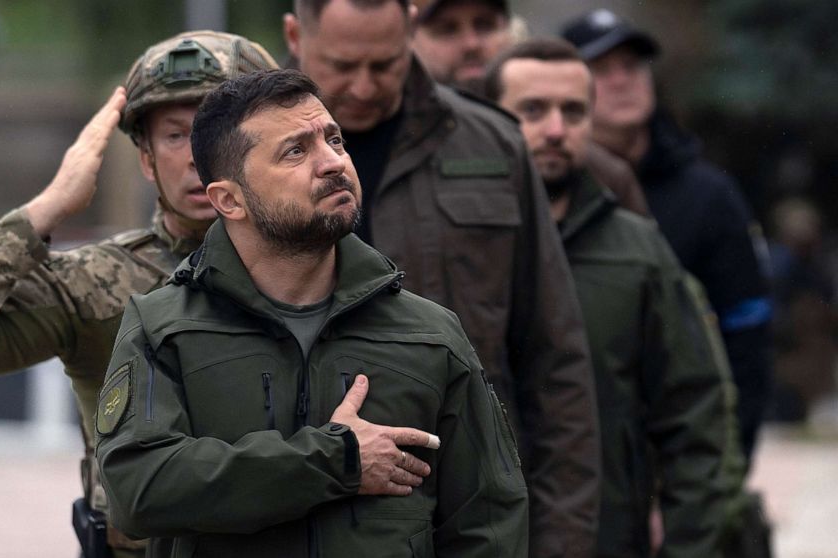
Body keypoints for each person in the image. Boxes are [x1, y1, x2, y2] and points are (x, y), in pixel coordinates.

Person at [95, 68, 529, 558]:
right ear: (229, 200)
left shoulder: (430, 334)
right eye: (296, 151)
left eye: (334, 140)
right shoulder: (163, 327)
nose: (333, 163)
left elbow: (489, 523)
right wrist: (336, 460)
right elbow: (138, 489)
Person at [0, 30, 278, 558]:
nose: (198, 156)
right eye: (176, 136)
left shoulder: (319, 263)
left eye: (216, 130)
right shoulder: (100, 281)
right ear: (146, 159)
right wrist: (47, 208)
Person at [283, 1, 599, 556]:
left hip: (466, 507)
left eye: (384, 64)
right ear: (294, 36)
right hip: (300, 508)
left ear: (410, 31)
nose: (362, 86)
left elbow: (556, 358)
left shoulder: (492, 145)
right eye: (341, 64)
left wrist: (562, 537)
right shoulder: (246, 156)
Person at [486, 36, 744, 558]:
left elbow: (697, 417)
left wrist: (689, 546)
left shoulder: (638, 250)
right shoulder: (455, 242)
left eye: (574, 111)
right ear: (487, 117)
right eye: (532, 111)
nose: (556, 130)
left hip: (607, 536)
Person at [562, 9, 774, 463]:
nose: (622, 81)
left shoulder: (708, 194)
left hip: (686, 442)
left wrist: (730, 457)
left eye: (633, 67)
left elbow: (747, 333)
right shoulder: (547, 193)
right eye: (600, 69)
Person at [409, 0, 650, 216]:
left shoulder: (601, 175)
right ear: (409, 37)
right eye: (447, 29)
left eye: (485, 25)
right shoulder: (398, 148)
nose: (471, 44)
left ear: (510, 30)